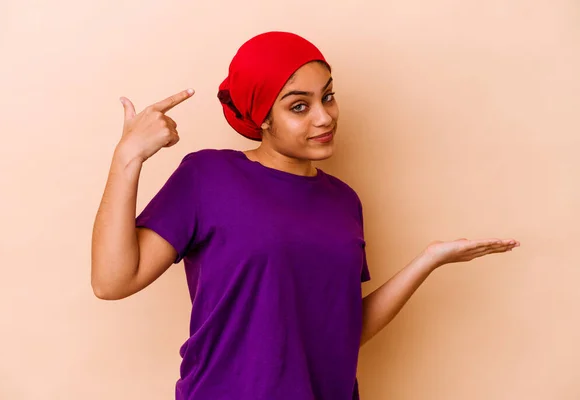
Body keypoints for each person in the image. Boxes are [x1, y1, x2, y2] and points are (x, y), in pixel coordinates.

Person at [91, 31, 520, 400]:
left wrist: (429, 259)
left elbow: (342, 332)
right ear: (262, 117)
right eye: (299, 106)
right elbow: (112, 281)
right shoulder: (208, 176)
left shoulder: (343, 201)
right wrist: (128, 157)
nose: (324, 116)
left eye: (328, 96)